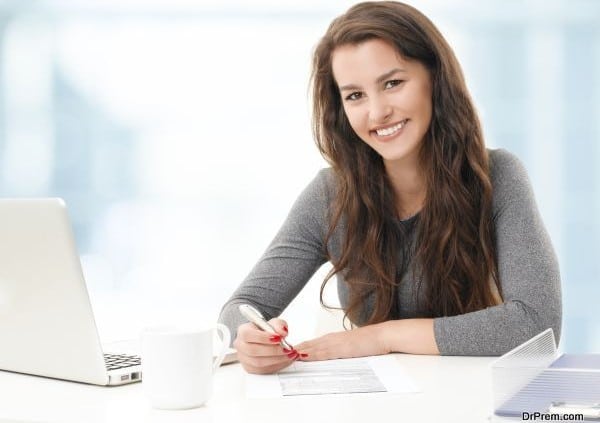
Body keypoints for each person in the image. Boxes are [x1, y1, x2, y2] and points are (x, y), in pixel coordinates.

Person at [218, 1, 561, 375]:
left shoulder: (497, 176)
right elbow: (242, 307)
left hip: (475, 400)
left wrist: (379, 338)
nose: (377, 112)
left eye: (393, 83)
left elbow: (536, 326)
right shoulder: (331, 194)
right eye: (355, 95)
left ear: (435, 78)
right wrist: (250, 340)